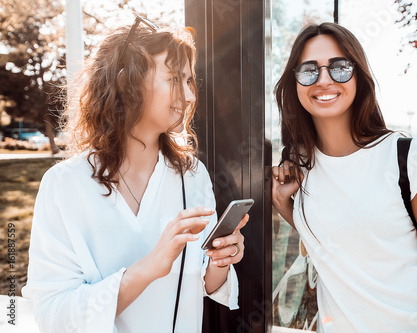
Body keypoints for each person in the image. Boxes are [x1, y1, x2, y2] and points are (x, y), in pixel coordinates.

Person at [22, 16, 248, 333]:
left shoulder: (192, 174)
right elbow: (53, 314)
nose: (190, 96)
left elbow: (205, 283)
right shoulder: (63, 186)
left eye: (189, 81)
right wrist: (148, 268)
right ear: (127, 84)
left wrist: (221, 260)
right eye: (173, 79)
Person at [272, 22, 417, 332]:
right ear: (294, 82)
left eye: (339, 67)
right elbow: (341, 244)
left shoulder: (408, 159)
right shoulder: (300, 167)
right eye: (309, 70)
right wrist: (285, 205)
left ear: (359, 77)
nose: (324, 79)